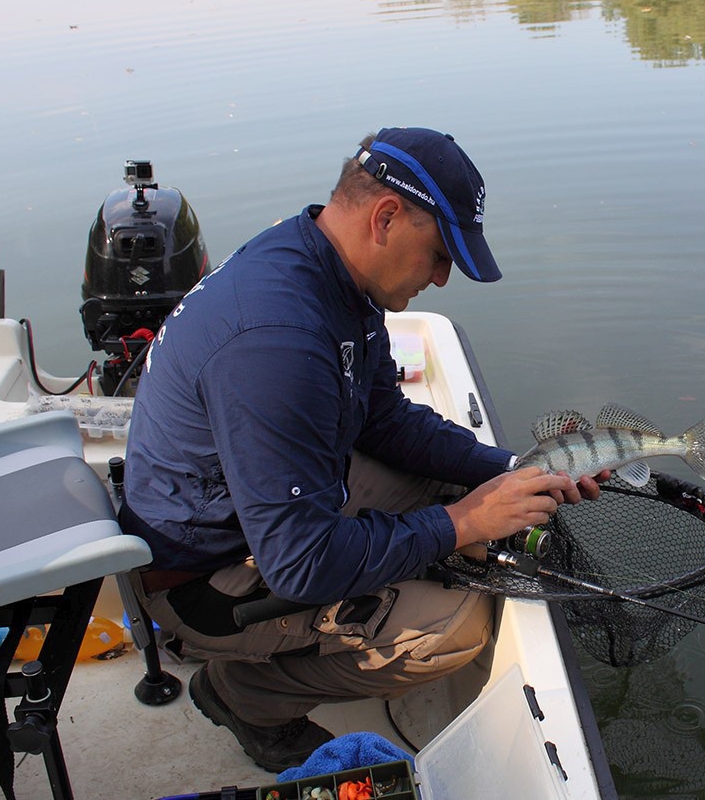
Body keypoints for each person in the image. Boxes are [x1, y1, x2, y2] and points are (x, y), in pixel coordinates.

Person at [120, 127, 604, 772]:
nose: (440, 279)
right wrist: (464, 524)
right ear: (385, 218)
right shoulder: (278, 340)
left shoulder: (324, 266)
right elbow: (301, 563)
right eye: (438, 256)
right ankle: (241, 693)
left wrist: (514, 471)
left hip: (263, 510)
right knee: (453, 632)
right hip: (201, 578)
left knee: (466, 495)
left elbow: (386, 423)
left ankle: (432, 544)